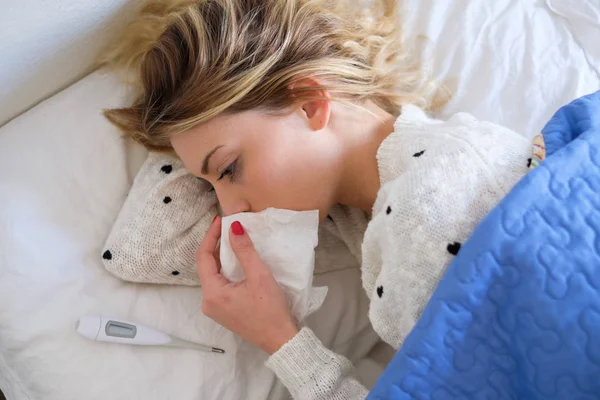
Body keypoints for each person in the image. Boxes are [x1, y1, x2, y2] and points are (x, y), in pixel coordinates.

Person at [103, 0, 533, 398]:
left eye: (230, 170)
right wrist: (187, 143)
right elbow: (139, 254)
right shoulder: (356, 213)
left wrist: (281, 341)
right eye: (209, 185)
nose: (230, 208)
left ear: (310, 104)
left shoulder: (430, 201)